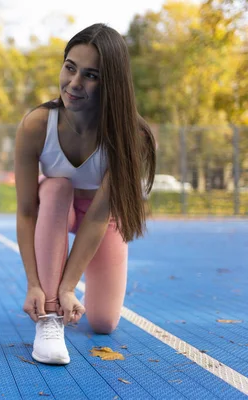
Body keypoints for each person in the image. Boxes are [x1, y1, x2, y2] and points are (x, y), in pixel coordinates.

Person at [14, 23, 156, 365]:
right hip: (55, 207)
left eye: (91, 75)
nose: (74, 84)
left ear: (111, 84)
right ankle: (49, 319)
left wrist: (70, 285)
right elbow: (26, 211)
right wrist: (36, 285)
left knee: (104, 323)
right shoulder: (36, 125)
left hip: (102, 218)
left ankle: (64, 295)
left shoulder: (130, 137)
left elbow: (97, 216)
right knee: (57, 186)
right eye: (70, 68)